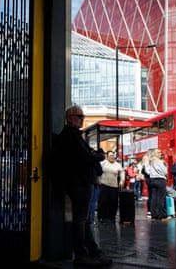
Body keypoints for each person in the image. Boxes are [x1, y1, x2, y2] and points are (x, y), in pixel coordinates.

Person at [54, 105, 112, 266]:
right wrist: (99, 156)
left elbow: (83, 156)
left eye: (82, 116)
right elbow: (85, 157)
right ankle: (82, 255)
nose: (82, 119)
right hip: (80, 183)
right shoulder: (70, 136)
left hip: (80, 182)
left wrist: (93, 155)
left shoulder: (73, 136)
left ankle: (92, 252)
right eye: (79, 116)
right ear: (69, 118)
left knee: (83, 220)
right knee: (81, 220)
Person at [97, 150, 125, 224]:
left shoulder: (117, 165)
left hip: (114, 186)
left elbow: (122, 172)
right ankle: (101, 217)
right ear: (107, 156)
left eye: (113, 155)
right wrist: (98, 179)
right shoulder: (103, 163)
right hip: (104, 185)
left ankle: (112, 217)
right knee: (103, 202)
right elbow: (98, 171)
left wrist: (122, 180)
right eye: (110, 155)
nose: (112, 157)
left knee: (113, 202)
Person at [149, 148, 172, 221]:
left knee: (154, 198)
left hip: (153, 180)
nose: (160, 154)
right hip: (160, 180)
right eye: (159, 152)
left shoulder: (151, 161)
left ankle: (154, 215)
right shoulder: (158, 161)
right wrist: (165, 166)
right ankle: (162, 216)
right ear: (155, 154)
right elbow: (164, 171)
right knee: (161, 198)